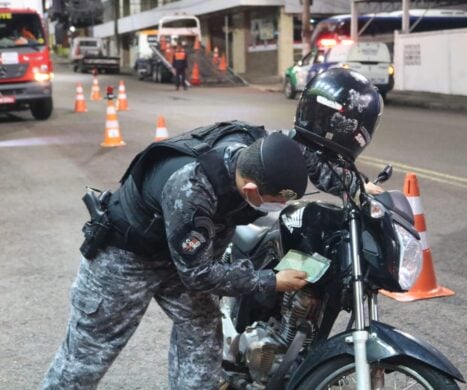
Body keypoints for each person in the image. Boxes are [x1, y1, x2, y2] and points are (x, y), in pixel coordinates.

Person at [42, 68, 384, 389]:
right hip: (126, 260)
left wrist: (354, 188)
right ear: (251, 191)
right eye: (276, 200)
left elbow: (304, 157)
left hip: (186, 256)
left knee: (202, 340)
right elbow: (199, 274)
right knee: (86, 359)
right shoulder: (191, 189)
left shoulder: (260, 149)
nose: (280, 205)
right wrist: (270, 280)